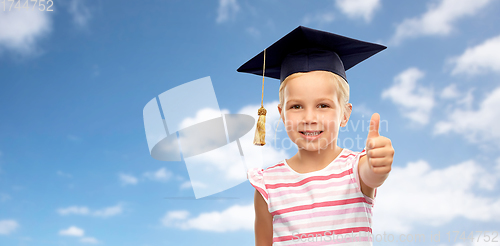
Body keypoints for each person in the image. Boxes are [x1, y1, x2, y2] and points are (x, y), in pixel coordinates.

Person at [237, 26, 395, 245]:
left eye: (323, 105)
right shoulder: (267, 185)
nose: (309, 117)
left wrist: (378, 163)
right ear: (282, 114)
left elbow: (373, 175)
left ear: (345, 114)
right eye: (296, 106)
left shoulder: (356, 169)